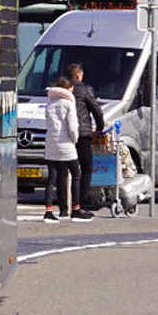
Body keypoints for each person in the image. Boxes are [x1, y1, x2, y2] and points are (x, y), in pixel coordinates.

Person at [43, 75, 91, 222]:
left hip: (50, 144)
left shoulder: (50, 104)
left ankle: (48, 211)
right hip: (66, 144)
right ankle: (76, 208)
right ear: (68, 89)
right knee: (76, 174)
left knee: (52, 178)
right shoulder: (69, 104)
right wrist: (75, 139)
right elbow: (72, 126)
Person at [66, 62, 107, 210]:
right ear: (78, 75)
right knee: (86, 168)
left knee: (67, 169)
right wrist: (99, 129)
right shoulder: (84, 90)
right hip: (82, 134)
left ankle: (66, 202)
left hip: (65, 136)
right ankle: (81, 202)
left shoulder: (61, 90)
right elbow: (96, 110)